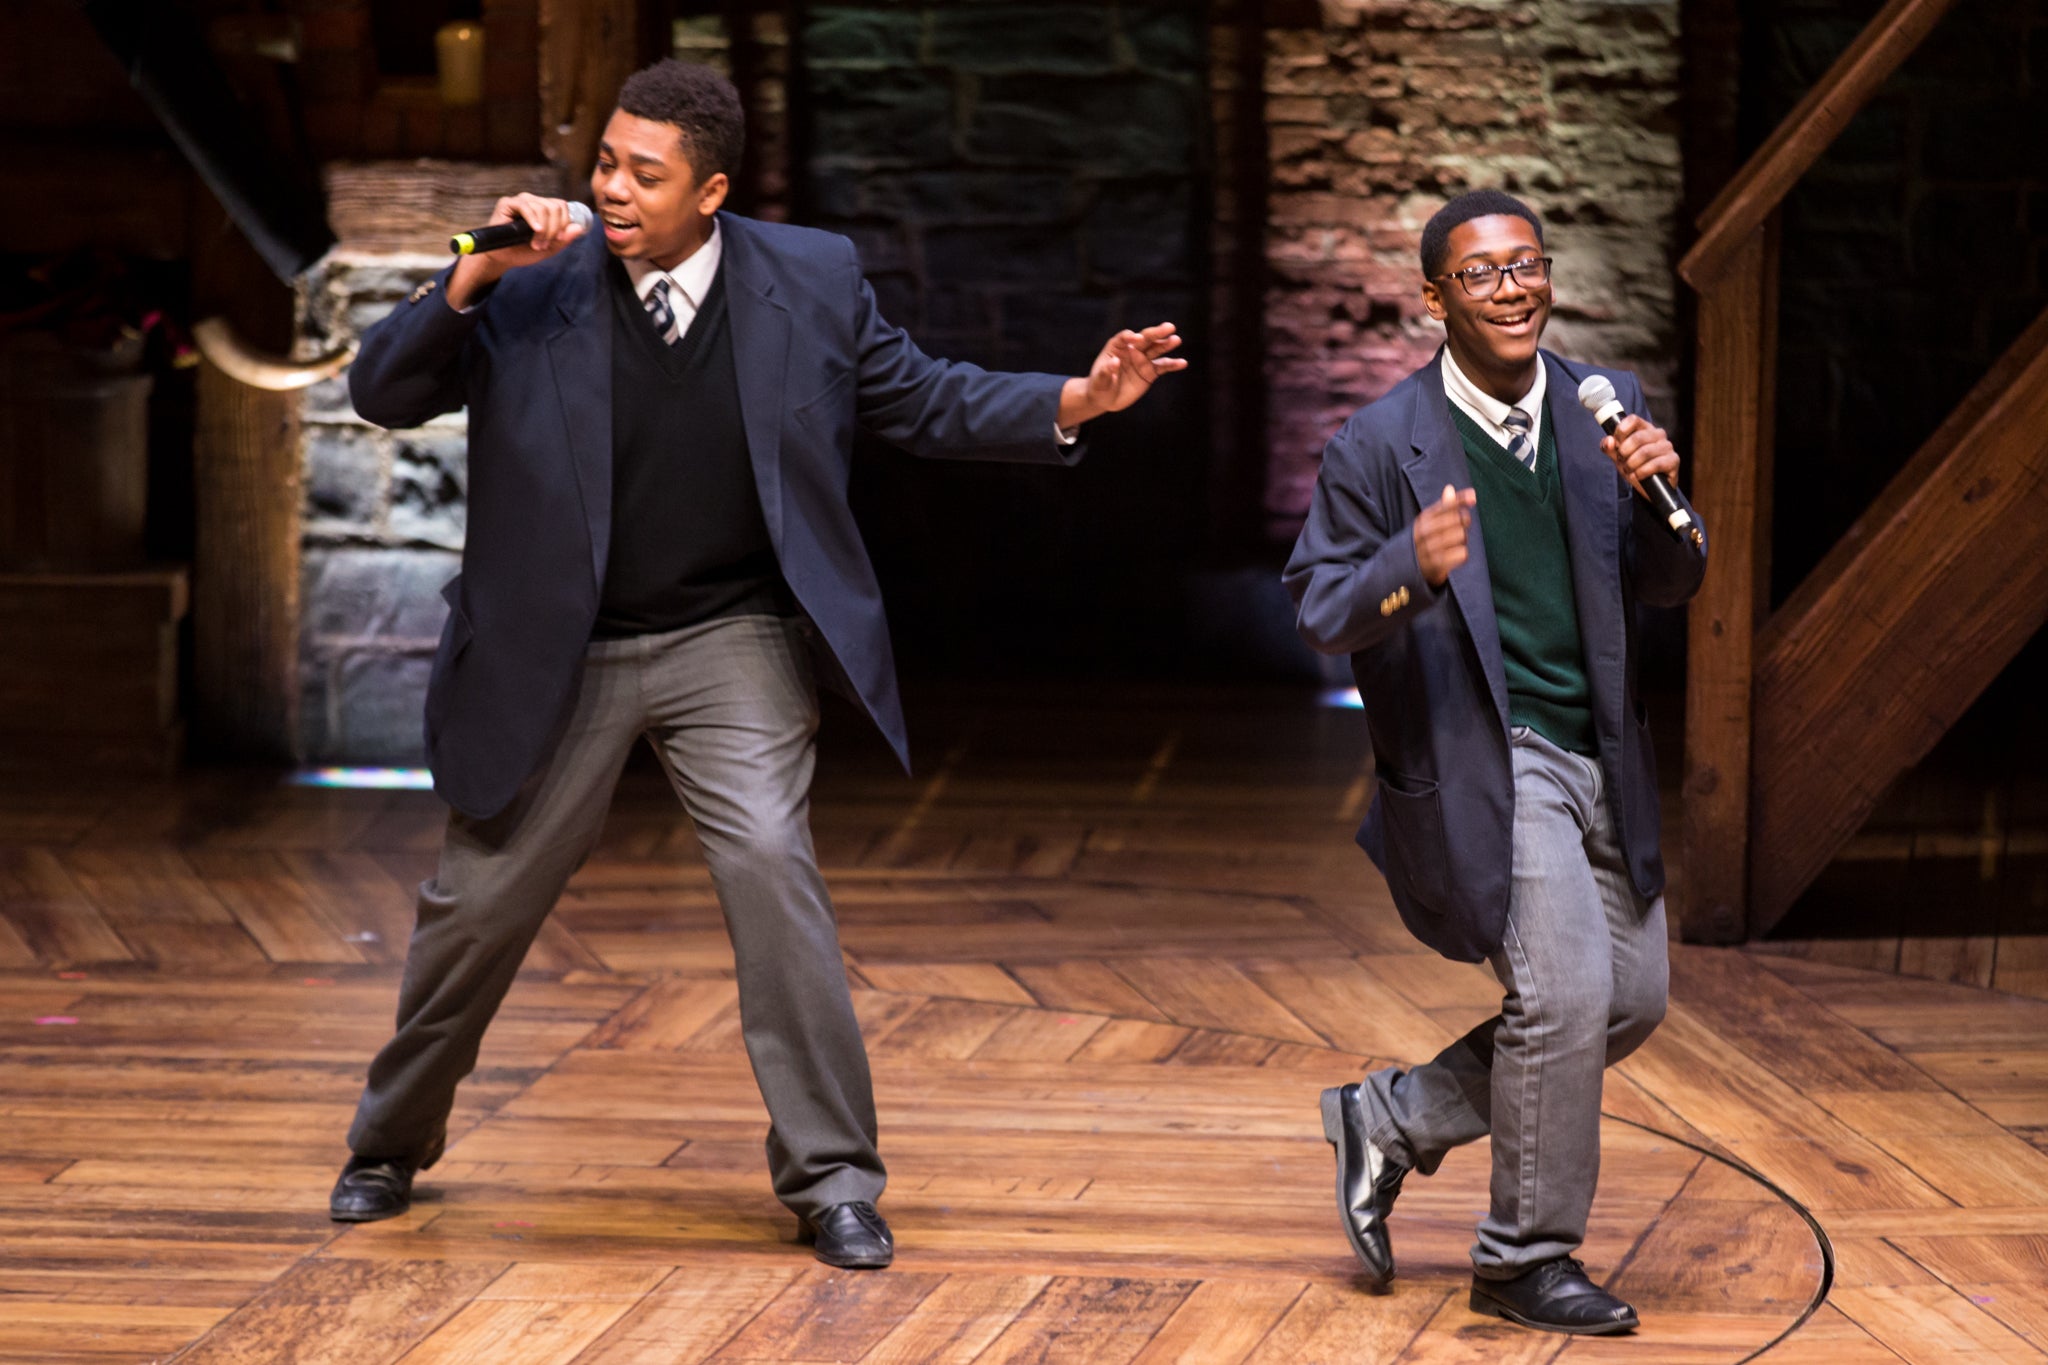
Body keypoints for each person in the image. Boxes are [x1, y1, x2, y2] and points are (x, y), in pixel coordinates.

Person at [329, 58, 1185, 1270]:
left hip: (730, 636)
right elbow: (380, 391)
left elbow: (920, 398)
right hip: (561, 648)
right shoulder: (528, 278)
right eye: (606, 162)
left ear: (711, 190)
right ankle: (389, 1140)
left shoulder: (808, 277)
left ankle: (833, 1178)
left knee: (774, 867)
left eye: (645, 172)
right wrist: (467, 275)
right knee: (479, 905)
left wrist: (1077, 400)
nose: (611, 188)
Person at [1283, 188, 1705, 1334]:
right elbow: (1319, 609)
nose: (1512, 288)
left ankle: (1395, 1116)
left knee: (1629, 1001)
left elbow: (1674, 584)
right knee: (1562, 995)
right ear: (1434, 299)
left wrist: (1663, 507)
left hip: (1599, 756)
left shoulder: (1598, 412)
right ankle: (1521, 1260)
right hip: (1487, 759)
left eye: (1527, 265)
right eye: (1481, 274)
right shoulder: (1381, 443)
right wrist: (1406, 565)